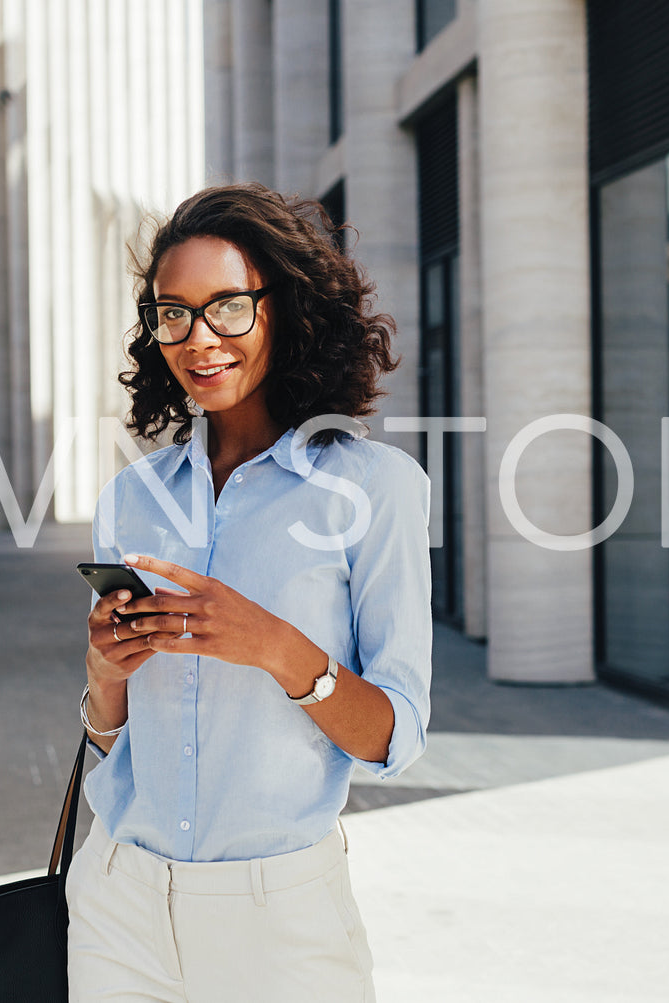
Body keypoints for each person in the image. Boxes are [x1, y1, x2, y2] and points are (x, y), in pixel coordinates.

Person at [67, 183, 432, 1003]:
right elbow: (108, 738)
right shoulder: (133, 498)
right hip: (120, 904)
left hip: (281, 923)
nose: (199, 339)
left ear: (284, 308)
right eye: (173, 313)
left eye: (227, 306)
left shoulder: (373, 488)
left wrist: (277, 648)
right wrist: (105, 671)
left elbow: (395, 737)